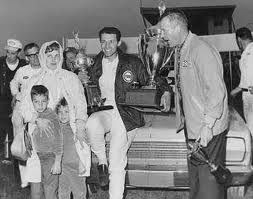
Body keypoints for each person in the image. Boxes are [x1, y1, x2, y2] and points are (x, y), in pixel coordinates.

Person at [85, 27, 171, 199]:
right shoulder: (95, 63)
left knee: (116, 161)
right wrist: (82, 80)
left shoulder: (132, 62)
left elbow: (153, 77)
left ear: (118, 42)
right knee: (91, 124)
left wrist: (166, 91)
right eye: (103, 41)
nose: (107, 45)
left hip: (126, 114)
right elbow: (90, 87)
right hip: (105, 111)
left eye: (111, 41)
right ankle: (102, 161)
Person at [159, 11, 229, 199]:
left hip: (208, 128)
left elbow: (216, 90)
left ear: (177, 28)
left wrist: (208, 125)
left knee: (209, 182)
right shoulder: (181, 49)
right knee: (197, 178)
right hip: (193, 126)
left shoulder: (201, 49)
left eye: (164, 30)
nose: (163, 36)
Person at [18, 41, 90, 197]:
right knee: (38, 174)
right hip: (39, 133)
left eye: (56, 55)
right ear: (43, 57)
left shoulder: (70, 78)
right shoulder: (33, 80)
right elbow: (23, 108)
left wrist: (80, 125)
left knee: (70, 174)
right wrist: (36, 119)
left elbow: (80, 104)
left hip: (66, 133)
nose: (53, 59)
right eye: (49, 55)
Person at [10, 43, 44, 197]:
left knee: (38, 145)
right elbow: (13, 83)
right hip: (22, 110)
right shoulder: (22, 71)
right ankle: (25, 180)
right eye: (30, 55)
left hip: (40, 110)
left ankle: (41, 177)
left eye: (36, 53)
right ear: (26, 57)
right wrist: (15, 95)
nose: (34, 57)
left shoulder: (46, 68)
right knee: (21, 145)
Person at [30, 85, 62, 199]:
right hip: (38, 156)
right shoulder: (35, 116)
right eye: (36, 102)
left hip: (50, 157)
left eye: (43, 101)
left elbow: (58, 138)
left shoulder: (52, 116)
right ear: (32, 102)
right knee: (42, 188)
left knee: (50, 190)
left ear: (48, 101)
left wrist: (57, 161)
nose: (40, 105)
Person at [56, 98, 87, 199]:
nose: (63, 115)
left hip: (76, 167)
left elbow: (84, 147)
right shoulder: (57, 127)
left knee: (79, 193)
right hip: (62, 167)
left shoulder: (76, 128)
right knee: (62, 193)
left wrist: (83, 163)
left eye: (66, 111)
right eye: (60, 112)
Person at [0, 39, 26, 152]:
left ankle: (14, 157)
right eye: (8, 52)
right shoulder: (0, 62)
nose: (9, 55)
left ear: (18, 53)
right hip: (1, 103)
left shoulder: (24, 65)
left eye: (13, 53)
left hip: (18, 103)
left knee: (15, 132)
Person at [230, 27, 253, 136]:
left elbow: (247, 81)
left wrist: (233, 92)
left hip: (250, 95)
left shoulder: (249, 53)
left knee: (251, 128)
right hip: (248, 93)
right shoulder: (248, 52)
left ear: (239, 39)